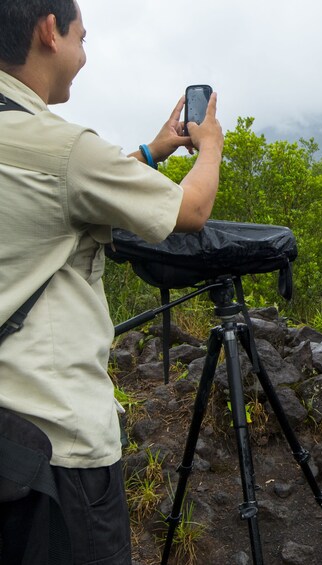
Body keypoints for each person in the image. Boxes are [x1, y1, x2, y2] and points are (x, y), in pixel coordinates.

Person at [0, 1, 224, 563]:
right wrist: (211, 143)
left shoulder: (35, 149)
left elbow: (61, 190)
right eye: (82, 37)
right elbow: (191, 210)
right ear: (50, 32)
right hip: (57, 448)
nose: (84, 54)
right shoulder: (64, 147)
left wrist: (153, 151)